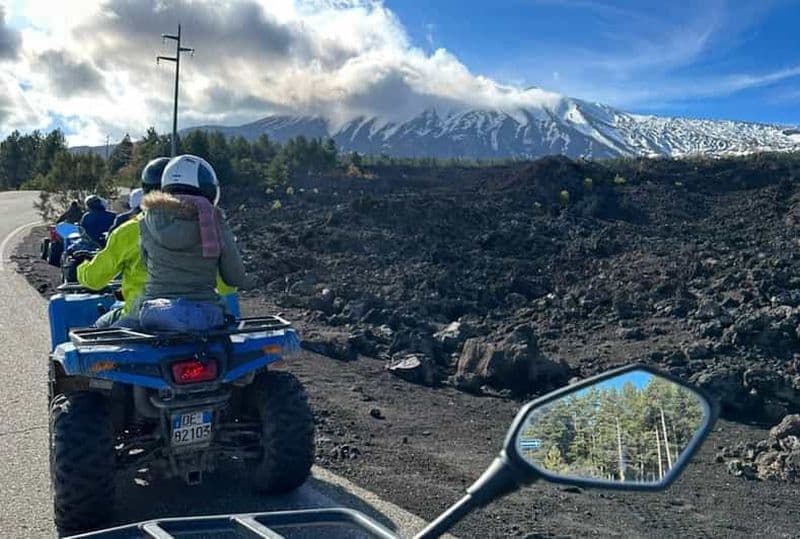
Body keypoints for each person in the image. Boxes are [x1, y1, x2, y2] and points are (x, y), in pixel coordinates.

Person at [131, 154, 246, 332]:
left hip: (154, 314)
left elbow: (146, 264)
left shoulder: (147, 220)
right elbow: (234, 278)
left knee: (105, 343)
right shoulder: (215, 220)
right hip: (207, 316)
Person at [76, 158, 171, 327]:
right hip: (199, 318)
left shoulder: (131, 229)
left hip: (140, 317)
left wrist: (82, 267)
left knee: (97, 329)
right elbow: (226, 286)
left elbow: (94, 280)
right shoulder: (204, 229)